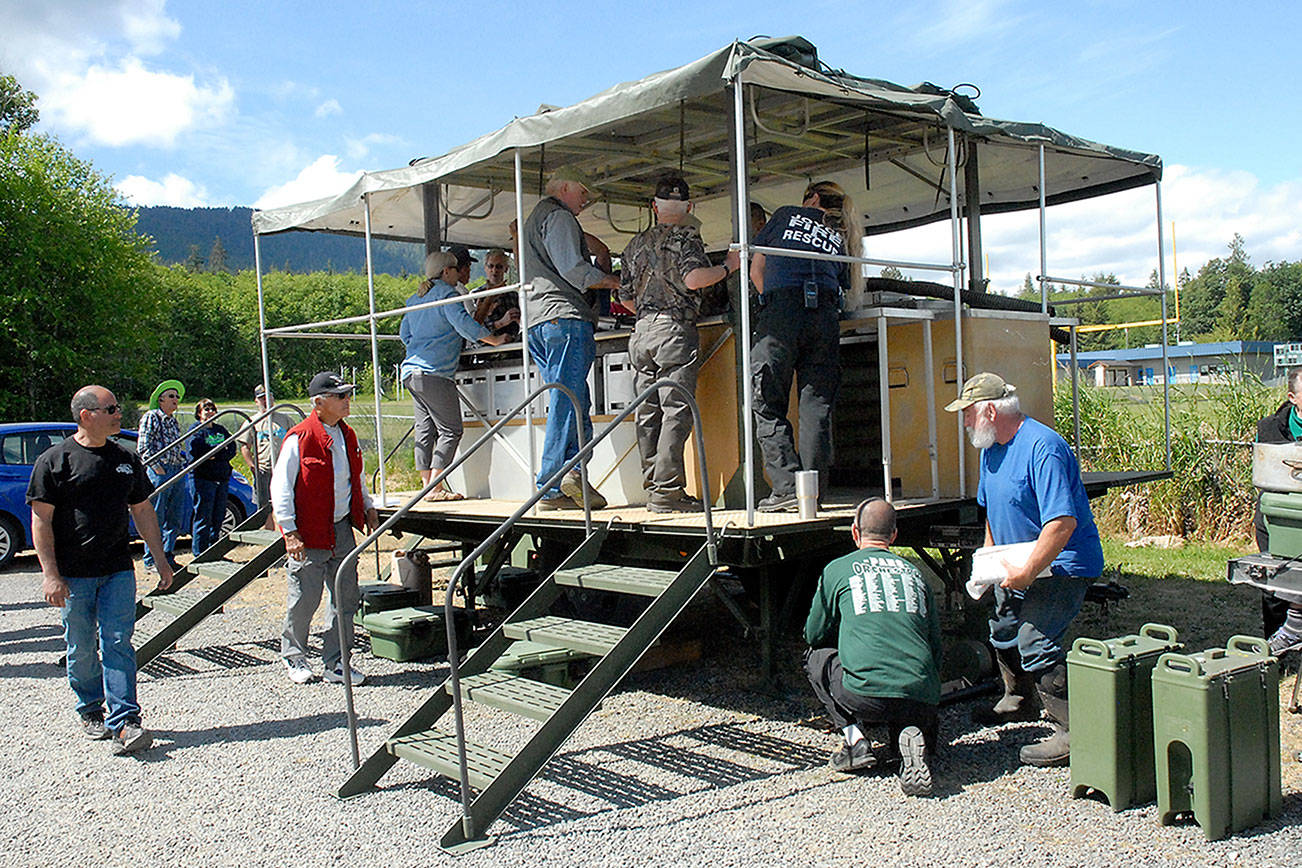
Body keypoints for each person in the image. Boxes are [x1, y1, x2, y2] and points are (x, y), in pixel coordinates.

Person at [945, 371, 1103, 767]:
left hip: (1062, 563)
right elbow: (993, 512)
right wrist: (986, 562)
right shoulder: (991, 448)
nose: (964, 421)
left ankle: (1075, 732)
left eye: (967, 413)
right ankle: (1019, 700)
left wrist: (1029, 572)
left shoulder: (1043, 447)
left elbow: (1061, 524)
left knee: (1036, 641)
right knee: (1001, 629)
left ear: (991, 411)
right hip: (1017, 561)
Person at [28, 385, 174, 754]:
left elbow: (142, 510)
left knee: (118, 643)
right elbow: (41, 520)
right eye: (110, 409)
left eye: (117, 407)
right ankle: (91, 708)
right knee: (81, 647)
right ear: (86, 415)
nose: (118, 413)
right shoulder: (55, 460)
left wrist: (160, 559)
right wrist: (50, 574)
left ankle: (125, 720)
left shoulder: (124, 458)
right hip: (73, 574)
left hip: (117, 570)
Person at [617, 175, 739, 512]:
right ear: (689, 207)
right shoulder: (688, 238)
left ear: (653, 207)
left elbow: (624, 296)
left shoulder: (634, 245)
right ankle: (668, 491)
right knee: (676, 409)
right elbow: (694, 279)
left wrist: (648, 310)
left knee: (648, 411)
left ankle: (653, 485)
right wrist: (728, 266)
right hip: (674, 330)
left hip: (640, 332)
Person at [804, 498, 940, 796]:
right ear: (894, 536)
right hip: (921, 696)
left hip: (863, 696)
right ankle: (909, 733)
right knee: (907, 703)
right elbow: (935, 646)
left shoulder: (837, 570)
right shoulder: (917, 574)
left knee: (816, 659)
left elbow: (813, 635)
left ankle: (855, 741)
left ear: (855, 532)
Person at [749, 180, 862, 512]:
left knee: (768, 402)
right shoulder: (838, 237)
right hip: (824, 317)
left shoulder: (784, 215)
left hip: (782, 314)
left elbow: (757, 270)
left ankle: (786, 486)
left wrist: (769, 303)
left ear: (811, 199)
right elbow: (843, 284)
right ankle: (812, 492)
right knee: (816, 408)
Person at [521, 165, 620, 510]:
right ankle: (552, 485)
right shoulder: (560, 218)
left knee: (568, 399)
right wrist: (614, 282)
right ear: (565, 188)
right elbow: (574, 270)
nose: (586, 200)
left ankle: (569, 477)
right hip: (564, 316)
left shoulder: (535, 218)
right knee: (570, 400)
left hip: (539, 319)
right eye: (584, 192)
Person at [271, 372, 380, 685]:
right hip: (309, 533)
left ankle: (337, 663)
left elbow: (355, 476)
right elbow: (281, 488)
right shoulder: (299, 437)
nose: (347, 401)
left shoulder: (348, 435)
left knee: (345, 599)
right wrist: (290, 532)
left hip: (341, 528)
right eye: (341, 396)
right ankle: (294, 657)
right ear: (319, 403)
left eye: (347, 395)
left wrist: (367, 506)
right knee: (305, 598)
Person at [401, 251, 508, 501]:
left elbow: (405, 336)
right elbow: (465, 326)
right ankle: (437, 487)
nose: (460, 274)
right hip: (436, 372)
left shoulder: (414, 299)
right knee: (451, 429)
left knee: (425, 429)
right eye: (456, 270)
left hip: (411, 371)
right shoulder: (447, 296)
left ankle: (427, 485)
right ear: (447, 272)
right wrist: (493, 340)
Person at [1254, 365, 1302, 652]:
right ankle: (1277, 648)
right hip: (1278, 515)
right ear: (1292, 397)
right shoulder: (1270, 427)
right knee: (1275, 581)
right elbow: (1263, 472)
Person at [137, 378, 188, 569]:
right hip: (160, 472)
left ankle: (167, 555)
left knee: (174, 517)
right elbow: (143, 447)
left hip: (176, 470)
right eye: (171, 396)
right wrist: (157, 468)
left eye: (177, 397)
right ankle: (151, 559)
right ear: (161, 400)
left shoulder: (173, 422)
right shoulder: (152, 417)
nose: (175, 400)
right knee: (155, 516)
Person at [238, 384, 293, 529]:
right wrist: (252, 466)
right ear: (256, 401)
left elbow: (295, 440)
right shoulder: (251, 422)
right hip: (263, 469)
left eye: (268, 397)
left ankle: (287, 532)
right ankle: (270, 532)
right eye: (262, 399)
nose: (266, 401)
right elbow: (245, 447)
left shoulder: (284, 419)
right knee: (264, 506)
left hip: (283, 469)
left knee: (286, 502)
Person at [188, 399, 236, 554]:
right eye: (206, 409)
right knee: (203, 517)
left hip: (221, 479)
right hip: (203, 480)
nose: (209, 411)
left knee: (218, 517)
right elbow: (196, 449)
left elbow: (231, 448)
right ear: (199, 413)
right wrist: (216, 451)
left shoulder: (220, 430)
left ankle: (214, 551)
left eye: (212, 409)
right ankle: (200, 553)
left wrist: (216, 454)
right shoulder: (196, 430)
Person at [473, 248, 522, 339]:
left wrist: (519, 320)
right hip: (487, 349)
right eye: (491, 266)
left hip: (513, 346)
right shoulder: (476, 295)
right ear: (485, 268)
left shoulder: (514, 294)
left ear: (506, 269)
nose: (494, 270)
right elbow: (473, 329)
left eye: (499, 267)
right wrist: (501, 322)